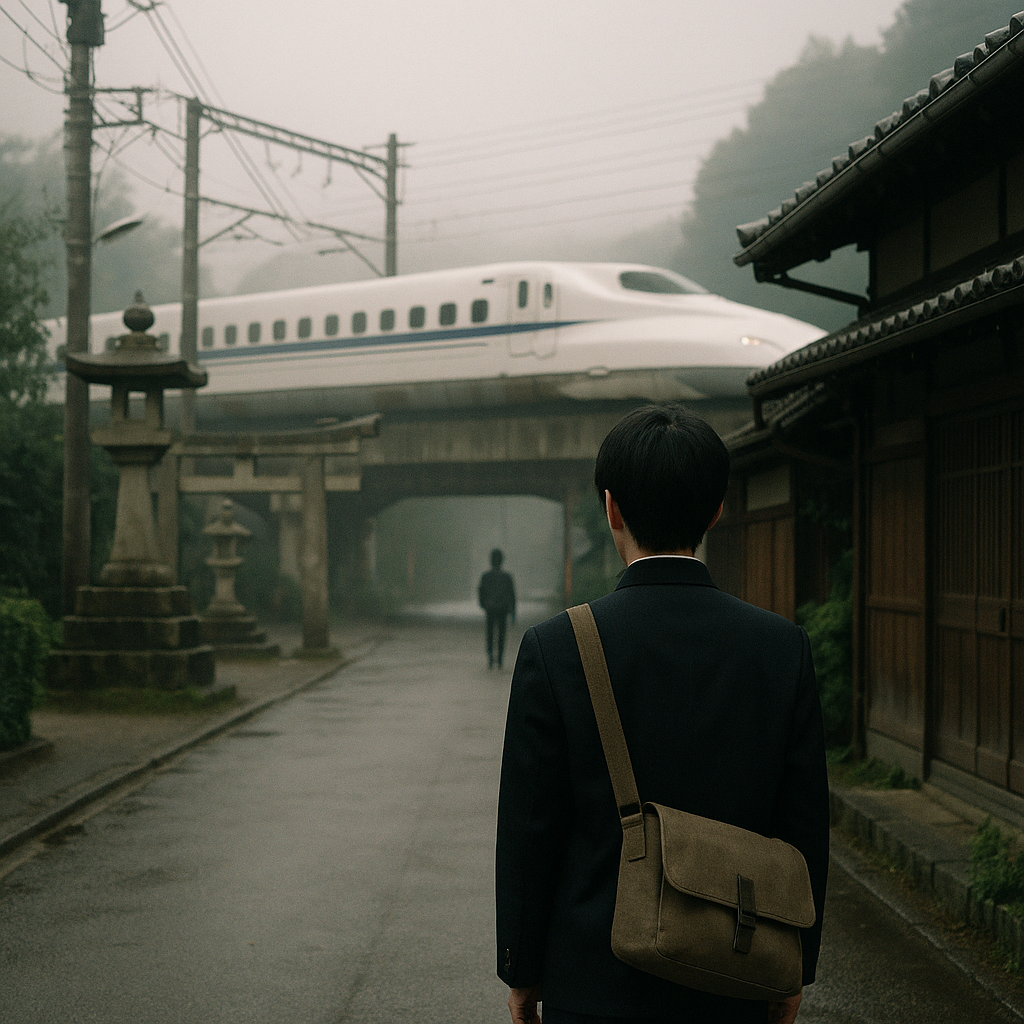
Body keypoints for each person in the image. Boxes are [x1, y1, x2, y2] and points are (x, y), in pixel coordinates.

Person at [495, 404, 829, 1024]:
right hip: (736, 971)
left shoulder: (557, 647)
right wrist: (794, 966)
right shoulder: (782, 649)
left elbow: (529, 827)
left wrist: (522, 968)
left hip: (593, 978)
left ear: (611, 508)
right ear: (716, 510)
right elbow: (803, 824)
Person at [479, 548, 517, 669]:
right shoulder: (507, 577)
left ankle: (491, 658)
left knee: (490, 634)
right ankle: (499, 659)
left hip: (491, 609)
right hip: (502, 610)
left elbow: (481, 593)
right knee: (501, 635)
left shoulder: (486, 576)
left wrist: (484, 605)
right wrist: (513, 613)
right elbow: (512, 596)